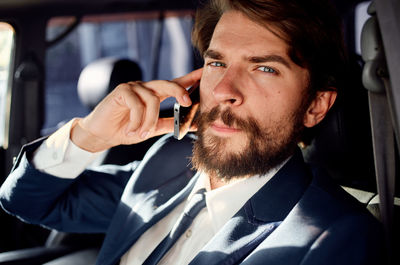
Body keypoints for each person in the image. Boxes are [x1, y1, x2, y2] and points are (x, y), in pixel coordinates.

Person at [0, 0, 384, 264]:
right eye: (216, 62)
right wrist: (89, 137)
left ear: (316, 105)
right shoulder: (167, 161)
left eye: (264, 68)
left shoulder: (337, 239)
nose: (223, 91)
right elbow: (27, 202)